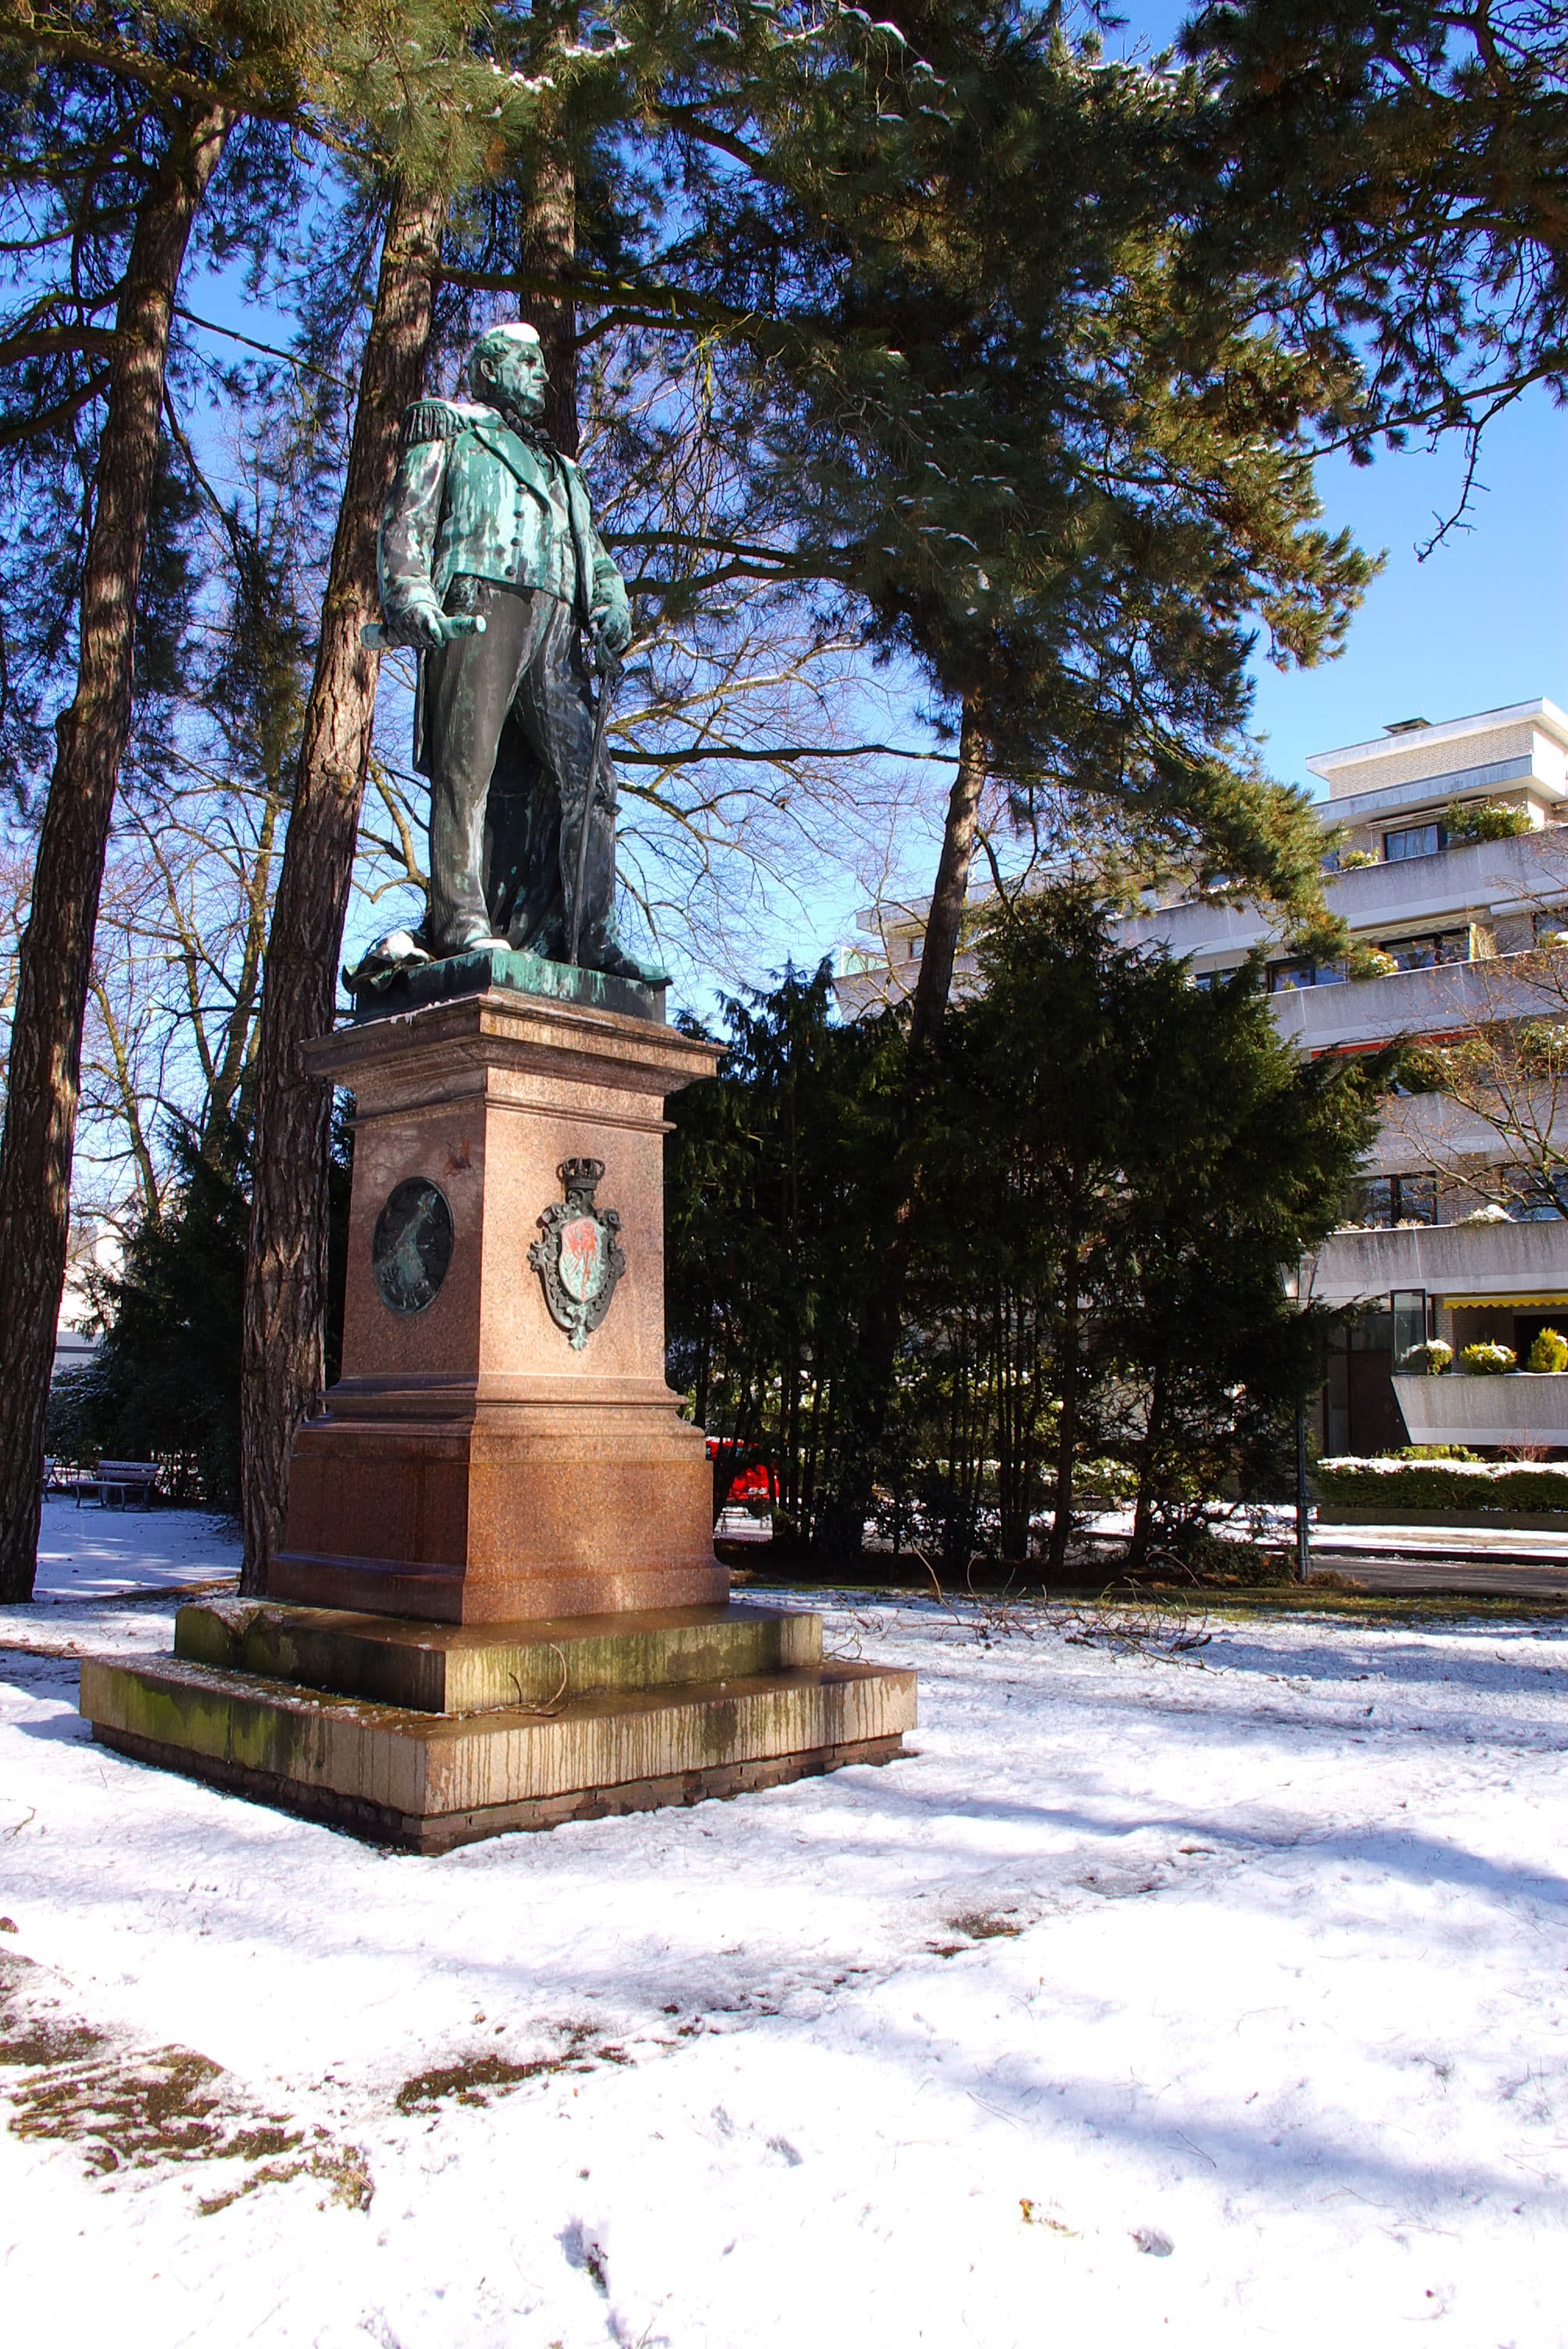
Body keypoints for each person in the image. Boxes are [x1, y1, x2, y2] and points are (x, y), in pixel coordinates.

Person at [376, 319, 661, 981]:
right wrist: (412, 596)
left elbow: (596, 558)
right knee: (466, 767)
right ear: (489, 369)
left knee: (589, 780)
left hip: (558, 621)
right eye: (526, 361)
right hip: (480, 603)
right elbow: (406, 522)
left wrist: (611, 602)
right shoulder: (451, 428)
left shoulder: (564, 471)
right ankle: (460, 919)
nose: (541, 373)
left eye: (542, 362)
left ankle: (590, 936)